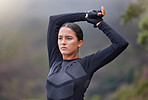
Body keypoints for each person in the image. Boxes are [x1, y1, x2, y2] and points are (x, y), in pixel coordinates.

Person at [46, 6, 129, 100]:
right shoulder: (55, 61)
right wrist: (85, 16)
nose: (63, 42)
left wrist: (99, 23)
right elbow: (54, 20)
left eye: (68, 38)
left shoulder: (86, 64)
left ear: (79, 43)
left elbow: (120, 43)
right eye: (60, 38)